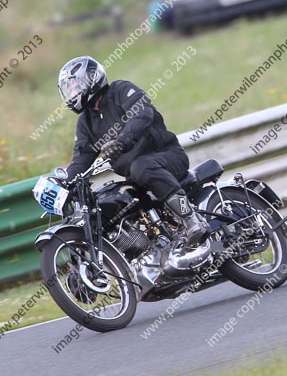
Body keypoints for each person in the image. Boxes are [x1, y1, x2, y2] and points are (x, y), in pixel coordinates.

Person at [59, 55, 209, 244]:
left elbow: (142, 114)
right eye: (69, 89)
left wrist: (121, 142)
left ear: (92, 78)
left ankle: (191, 218)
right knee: (112, 199)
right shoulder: (85, 123)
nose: (72, 93)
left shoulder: (121, 90)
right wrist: (63, 183)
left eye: (75, 86)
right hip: (136, 178)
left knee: (141, 166)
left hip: (168, 156)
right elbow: (82, 157)